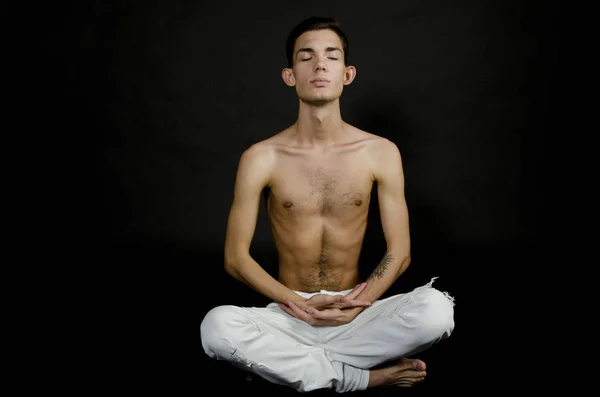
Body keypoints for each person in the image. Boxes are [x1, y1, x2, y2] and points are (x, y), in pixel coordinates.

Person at [200, 16, 455, 393]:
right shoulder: (261, 157)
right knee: (216, 327)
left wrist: (358, 303)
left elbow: (399, 252)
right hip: (288, 311)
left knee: (437, 311)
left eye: (331, 56)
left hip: (356, 309)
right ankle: (363, 376)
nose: (319, 64)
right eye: (306, 56)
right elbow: (235, 258)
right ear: (290, 75)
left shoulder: (380, 152)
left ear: (347, 74)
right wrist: (294, 303)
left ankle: (288, 366)